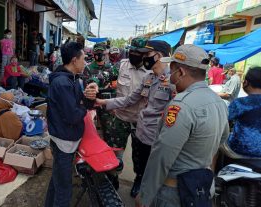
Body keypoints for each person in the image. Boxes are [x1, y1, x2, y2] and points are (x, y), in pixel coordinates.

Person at [136, 45, 230, 207]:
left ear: (180, 72)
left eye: (171, 71)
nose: (170, 78)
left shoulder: (180, 105)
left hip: (174, 192)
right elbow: (223, 138)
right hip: (201, 187)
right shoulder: (218, 102)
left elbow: (162, 155)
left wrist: (145, 195)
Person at [96, 40, 174, 197]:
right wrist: (103, 102)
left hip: (159, 137)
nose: (143, 57)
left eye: (146, 54)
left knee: (153, 173)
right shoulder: (149, 78)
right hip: (142, 132)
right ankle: (137, 185)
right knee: (139, 163)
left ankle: (144, 189)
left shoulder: (174, 81)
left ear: (158, 56)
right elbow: (128, 99)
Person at [45, 41, 97, 207]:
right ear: (74, 60)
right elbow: (73, 116)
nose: (85, 62)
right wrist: (84, 105)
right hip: (63, 140)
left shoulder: (74, 79)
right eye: (84, 58)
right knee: (64, 189)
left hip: (67, 137)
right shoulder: (62, 83)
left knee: (58, 180)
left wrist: (88, 98)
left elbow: (79, 105)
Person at [102, 37, 150, 194]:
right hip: (120, 117)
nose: (134, 54)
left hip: (139, 122)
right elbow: (106, 74)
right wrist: (95, 81)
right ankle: (113, 177)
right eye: (132, 51)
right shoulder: (121, 66)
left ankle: (139, 179)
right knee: (115, 152)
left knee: (139, 155)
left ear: (145, 54)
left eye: (138, 52)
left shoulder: (150, 73)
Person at [227, 67, 261, 157]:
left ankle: (211, 170)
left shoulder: (240, 103)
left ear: (246, 82)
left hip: (240, 151)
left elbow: (222, 121)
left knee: (217, 142)